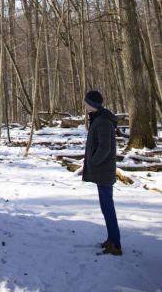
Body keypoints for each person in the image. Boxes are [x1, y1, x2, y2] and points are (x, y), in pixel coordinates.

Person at [82, 90, 122, 256]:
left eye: (86, 102)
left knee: (108, 207)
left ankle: (116, 244)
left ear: (92, 104)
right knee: (105, 207)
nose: (84, 105)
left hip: (103, 171)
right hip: (101, 170)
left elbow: (105, 147)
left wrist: (93, 161)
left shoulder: (103, 121)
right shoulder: (98, 118)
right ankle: (111, 239)